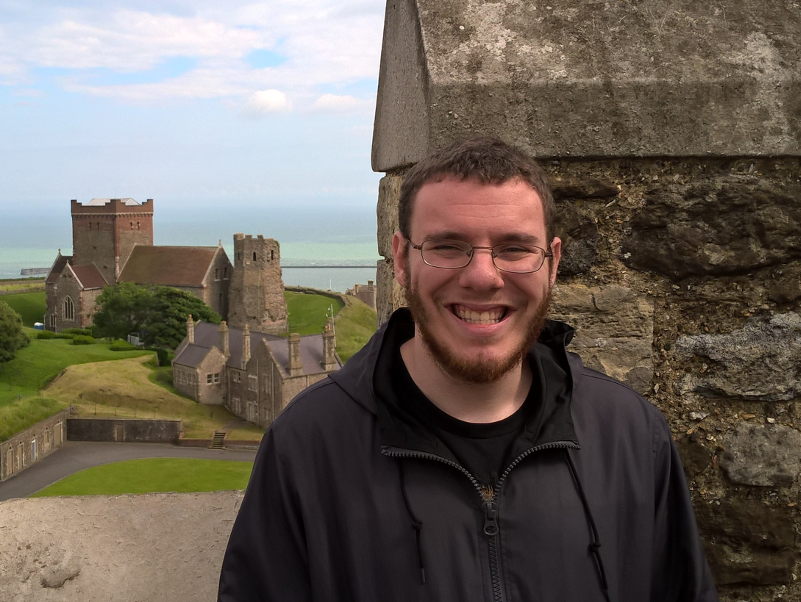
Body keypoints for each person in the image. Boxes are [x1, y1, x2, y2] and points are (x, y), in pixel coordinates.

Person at [218, 138, 718, 602]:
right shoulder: (307, 446)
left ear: (553, 262)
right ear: (400, 259)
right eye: (448, 246)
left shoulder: (633, 435)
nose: (482, 276)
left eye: (516, 248)